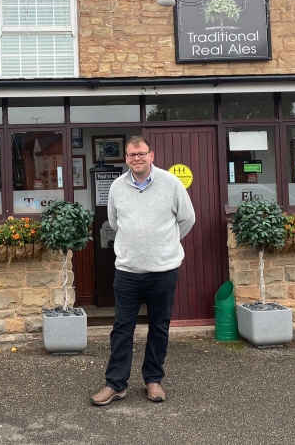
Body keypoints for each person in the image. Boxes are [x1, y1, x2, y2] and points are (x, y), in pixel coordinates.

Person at [91, 136, 196, 406]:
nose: (136, 158)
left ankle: (153, 380)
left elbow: (187, 218)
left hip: (163, 269)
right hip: (127, 270)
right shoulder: (116, 187)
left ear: (151, 155)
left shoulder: (171, 183)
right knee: (122, 328)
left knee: (159, 327)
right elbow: (114, 222)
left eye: (141, 153)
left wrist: (164, 244)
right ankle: (116, 384)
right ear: (126, 158)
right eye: (131, 155)